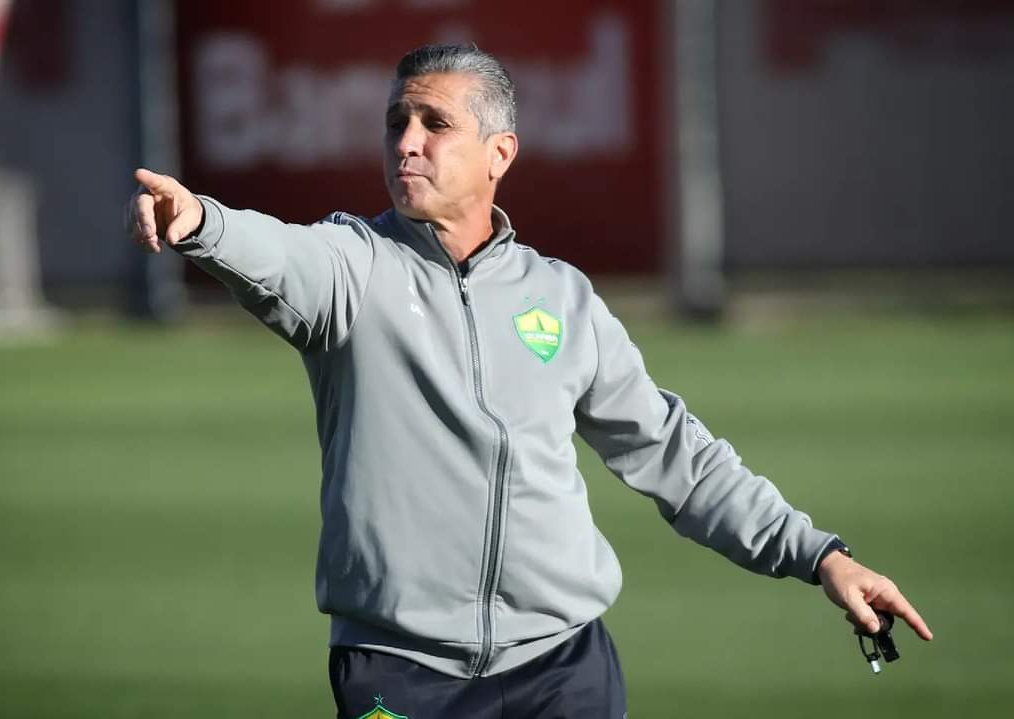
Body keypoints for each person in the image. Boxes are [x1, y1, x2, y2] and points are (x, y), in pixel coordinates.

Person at [127, 44, 931, 718]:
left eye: (435, 124)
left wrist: (822, 556)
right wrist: (201, 221)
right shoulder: (353, 267)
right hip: (399, 677)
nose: (407, 141)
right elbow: (280, 256)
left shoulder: (563, 298)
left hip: (563, 668)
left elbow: (677, 455)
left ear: (499, 154)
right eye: (396, 123)